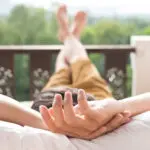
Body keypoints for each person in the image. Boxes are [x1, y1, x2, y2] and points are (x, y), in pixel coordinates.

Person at [0, 4, 150, 141]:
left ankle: (68, 36)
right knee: (78, 59)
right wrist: (117, 106)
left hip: (51, 103)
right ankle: (70, 36)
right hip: (94, 100)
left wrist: (45, 123)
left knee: (63, 67)